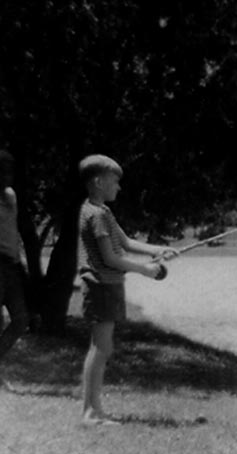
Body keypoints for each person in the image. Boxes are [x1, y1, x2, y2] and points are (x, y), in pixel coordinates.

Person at [77, 154, 177, 425]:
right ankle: (90, 412)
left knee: (102, 347)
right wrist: (145, 270)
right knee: (101, 348)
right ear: (98, 182)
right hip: (100, 286)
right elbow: (110, 258)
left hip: (109, 285)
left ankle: (93, 410)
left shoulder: (102, 211)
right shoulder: (95, 215)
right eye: (114, 182)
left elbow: (126, 242)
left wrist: (158, 250)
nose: (118, 187)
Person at [0, 150, 29, 390]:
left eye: (10, 171)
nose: (8, 177)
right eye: (2, 171)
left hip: (12, 266)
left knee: (21, 319)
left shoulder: (11, 196)